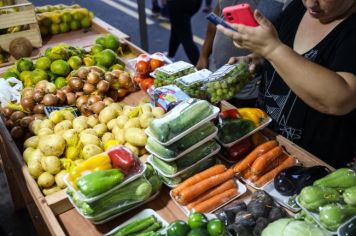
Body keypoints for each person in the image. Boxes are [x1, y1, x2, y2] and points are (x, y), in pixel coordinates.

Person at [217, 0, 356, 167]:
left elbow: (340, 99)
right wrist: (258, 59)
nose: (311, 4)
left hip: (312, 165)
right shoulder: (297, 7)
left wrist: (271, 49)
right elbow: (287, 57)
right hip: (263, 140)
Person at [196, 0, 291, 107]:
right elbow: (216, 18)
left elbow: (286, 45)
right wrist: (203, 55)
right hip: (215, 76)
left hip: (250, 87)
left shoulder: (288, 3)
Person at [166, 0, 203, 65]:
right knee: (178, 27)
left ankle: (201, 68)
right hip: (195, 3)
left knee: (186, 38)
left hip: (178, 4)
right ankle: (170, 55)